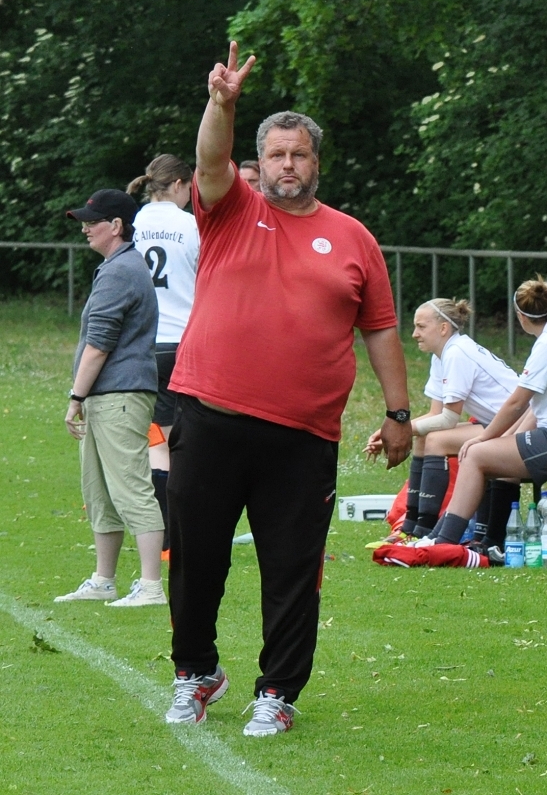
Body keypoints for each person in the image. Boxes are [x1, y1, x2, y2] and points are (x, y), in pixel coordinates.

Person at [164, 41, 412, 736]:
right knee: (196, 562)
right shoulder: (229, 209)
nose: (287, 164)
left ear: (316, 163)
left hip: (302, 436)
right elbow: (211, 160)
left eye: (299, 154)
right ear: (260, 161)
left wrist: (399, 413)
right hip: (208, 417)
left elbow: (380, 330)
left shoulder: (353, 238)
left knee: (292, 571)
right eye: (276, 154)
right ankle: (195, 673)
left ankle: (277, 691)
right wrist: (221, 104)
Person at [56, 189, 167, 606]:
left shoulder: (120, 270)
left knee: (131, 488)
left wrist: (75, 396)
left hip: (120, 394)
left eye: (92, 222)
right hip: (107, 395)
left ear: (116, 226)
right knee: (99, 491)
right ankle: (104, 580)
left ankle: (151, 586)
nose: (85, 229)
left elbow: (99, 343)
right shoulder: (116, 266)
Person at [366, 298, 519, 541]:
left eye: (421, 326)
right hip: (498, 425)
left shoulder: (457, 353)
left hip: (520, 427)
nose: (414, 334)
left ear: (444, 328)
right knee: (424, 437)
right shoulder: (442, 355)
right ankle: (410, 527)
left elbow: (448, 419)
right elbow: (434, 414)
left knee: (435, 440)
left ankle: (424, 531)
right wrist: (393, 430)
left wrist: (400, 431)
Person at [422, 276, 547, 546]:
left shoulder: (544, 345)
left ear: (520, 316)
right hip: (537, 429)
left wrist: (484, 437)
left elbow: (517, 403)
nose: (415, 334)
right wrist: (502, 438)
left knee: (475, 454)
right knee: (492, 455)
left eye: (421, 327)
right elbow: (533, 408)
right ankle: (488, 543)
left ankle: (442, 541)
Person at [126, 155, 200, 554]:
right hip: (182, 342)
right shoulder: (192, 225)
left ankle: (162, 532)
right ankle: (175, 534)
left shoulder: (131, 223)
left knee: (152, 439)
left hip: (140, 343)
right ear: (178, 185)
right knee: (177, 441)